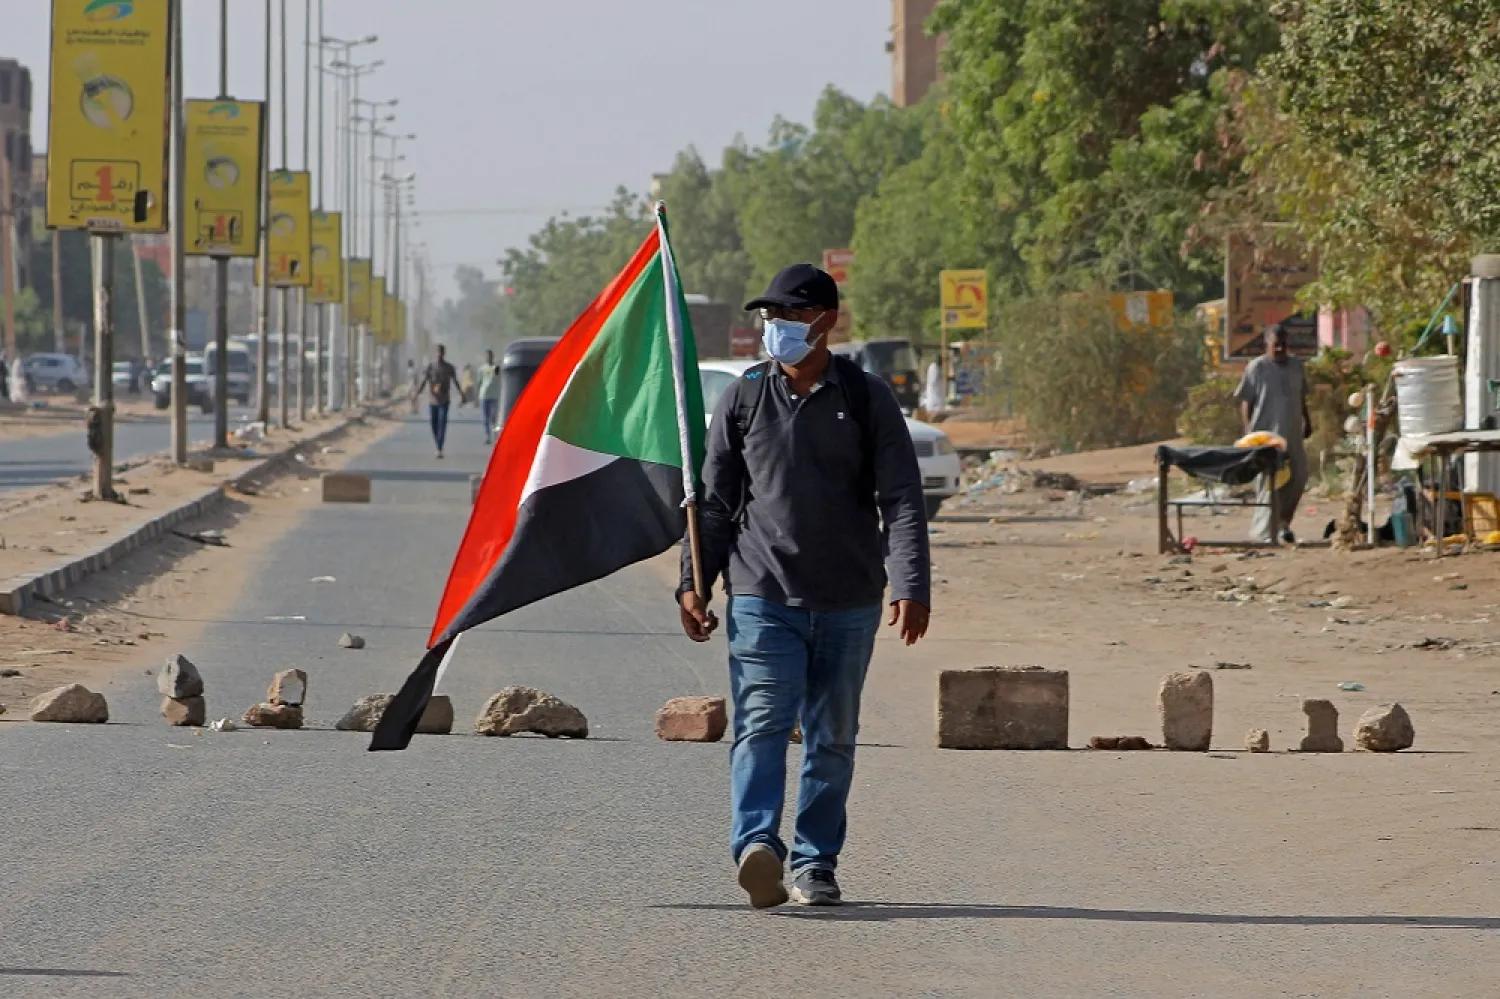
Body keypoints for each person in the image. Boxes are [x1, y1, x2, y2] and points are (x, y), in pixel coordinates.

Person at [678, 263, 931, 909]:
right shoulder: (744, 398)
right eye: (771, 316)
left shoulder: (867, 397)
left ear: (827, 321)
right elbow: (715, 502)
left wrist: (910, 582)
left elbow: (902, 497)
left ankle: (816, 862)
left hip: (849, 598)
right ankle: (757, 846)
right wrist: (693, 581)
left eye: (791, 315)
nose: (778, 327)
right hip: (762, 592)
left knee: (833, 736)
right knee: (762, 723)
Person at [1235, 323, 1313, 543]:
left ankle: (1283, 523)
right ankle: (1263, 531)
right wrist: (1249, 432)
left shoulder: (1296, 366)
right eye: (1276, 345)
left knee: (1298, 477)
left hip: (1292, 433)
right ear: (1266, 344)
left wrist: (1307, 421)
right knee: (1271, 484)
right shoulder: (1256, 367)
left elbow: (1301, 396)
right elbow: (1246, 402)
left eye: (1283, 345)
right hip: (1266, 436)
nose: (1280, 349)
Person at [413, 344, 460, 458]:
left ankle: (439, 448)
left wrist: (461, 393)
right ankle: (438, 443)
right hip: (433, 400)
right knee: (434, 424)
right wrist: (417, 393)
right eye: (438, 352)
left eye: (441, 352)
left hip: (444, 400)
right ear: (435, 353)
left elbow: (455, 381)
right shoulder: (430, 367)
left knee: (442, 423)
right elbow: (424, 381)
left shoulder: (449, 367)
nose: (439, 354)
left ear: (444, 354)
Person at [477, 349, 502, 444]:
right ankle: (487, 436)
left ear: (492, 357)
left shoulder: (496, 368)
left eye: (490, 356)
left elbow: (500, 375)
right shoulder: (481, 369)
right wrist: (477, 396)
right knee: (485, 418)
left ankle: (496, 436)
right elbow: (479, 382)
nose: (488, 358)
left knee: (494, 418)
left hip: (494, 396)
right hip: (484, 395)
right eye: (487, 356)